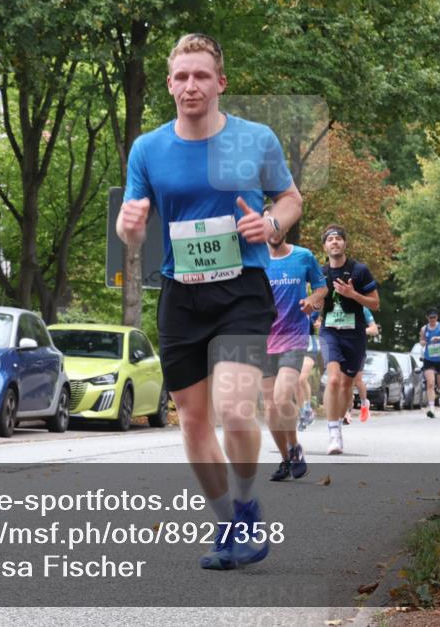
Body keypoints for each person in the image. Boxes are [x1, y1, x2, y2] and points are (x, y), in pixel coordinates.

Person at [116, 33, 302, 570]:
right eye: (181, 76)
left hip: (242, 288)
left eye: (201, 75)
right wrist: (129, 226)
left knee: (236, 405)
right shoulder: (148, 149)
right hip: (181, 294)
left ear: (220, 82)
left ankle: (246, 508)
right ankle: (228, 521)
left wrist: (269, 224)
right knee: (193, 421)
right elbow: (134, 227)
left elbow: (291, 199)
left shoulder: (256, 139)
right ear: (169, 85)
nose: (190, 85)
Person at [261, 206, 326, 481]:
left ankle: (295, 447)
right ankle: (286, 459)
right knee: (269, 408)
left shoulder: (303, 256)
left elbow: (322, 287)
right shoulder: (254, 260)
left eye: (278, 225)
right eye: (268, 225)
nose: (274, 230)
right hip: (261, 339)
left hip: (293, 336)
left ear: (285, 227)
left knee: (281, 397)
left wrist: (313, 300)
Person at [318, 225, 379, 454]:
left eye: (338, 239)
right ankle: (333, 432)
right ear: (325, 246)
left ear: (344, 244)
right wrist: (312, 306)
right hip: (330, 331)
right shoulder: (320, 273)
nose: (334, 242)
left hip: (355, 334)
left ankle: (339, 426)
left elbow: (375, 304)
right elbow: (317, 301)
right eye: (330, 239)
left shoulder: (360, 271)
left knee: (346, 385)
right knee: (333, 380)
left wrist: (352, 294)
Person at [347, 307, 380, 424]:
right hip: (342, 349)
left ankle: (364, 403)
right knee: (346, 382)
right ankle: (346, 412)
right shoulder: (337, 308)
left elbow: (374, 330)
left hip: (358, 350)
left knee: (356, 380)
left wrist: (360, 330)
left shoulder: (362, 309)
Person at [296, 314, 322, 431]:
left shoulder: (309, 310)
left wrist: (319, 321)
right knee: (296, 382)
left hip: (310, 348)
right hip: (294, 347)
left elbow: (320, 308)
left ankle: (307, 408)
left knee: (301, 378)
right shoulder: (287, 311)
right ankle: (302, 413)